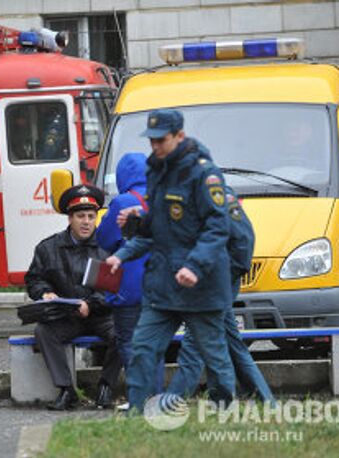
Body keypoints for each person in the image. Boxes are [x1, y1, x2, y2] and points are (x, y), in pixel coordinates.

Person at [105, 109, 236, 413]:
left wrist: (195, 266)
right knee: (142, 350)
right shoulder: (156, 172)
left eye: (161, 140)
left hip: (201, 287)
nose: (155, 147)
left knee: (214, 356)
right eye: (151, 141)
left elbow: (218, 228)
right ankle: (138, 416)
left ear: (179, 136)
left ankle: (224, 412)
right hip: (163, 287)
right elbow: (156, 229)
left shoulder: (205, 174)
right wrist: (121, 255)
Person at [165, 183, 275, 404]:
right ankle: (263, 399)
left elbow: (243, 240)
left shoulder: (217, 195)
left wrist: (227, 275)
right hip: (204, 283)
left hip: (216, 283)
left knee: (194, 344)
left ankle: (170, 404)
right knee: (232, 344)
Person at [25, 184, 121, 410]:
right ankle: (67, 389)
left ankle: (106, 386)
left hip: (101, 315)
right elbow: (34, 279)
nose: (86, 221)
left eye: (91, 216)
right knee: (43, 331)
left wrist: (91, 304)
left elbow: (113, 288)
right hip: (67, 316)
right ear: (70, 218)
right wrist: (44, 293)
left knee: (123, 333)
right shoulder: (48, 248)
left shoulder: (107, 247)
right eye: (80, 216)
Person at [96, 153, 165, 402]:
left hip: (129, 289)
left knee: (129, 343)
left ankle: (141, 399)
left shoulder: (123, 201)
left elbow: (104, 239)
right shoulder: (162, 198)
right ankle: (156, 398)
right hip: (159, 286)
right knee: (154, 346)